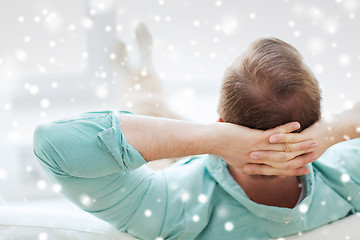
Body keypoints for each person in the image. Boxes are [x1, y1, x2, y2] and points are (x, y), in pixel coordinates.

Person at [33, 25, 360, 240]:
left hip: (188, 173)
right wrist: (332, 132)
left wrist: (212, 140)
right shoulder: (348, 177)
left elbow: (53, 146)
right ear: (315, 121)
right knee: (163, 114)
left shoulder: (175, 208)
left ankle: (140, 77)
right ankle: (143, 72)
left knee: (150, 112)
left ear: (221, 123)